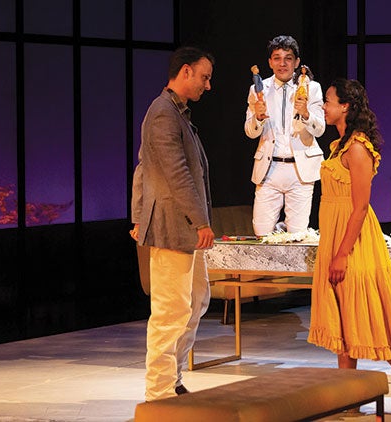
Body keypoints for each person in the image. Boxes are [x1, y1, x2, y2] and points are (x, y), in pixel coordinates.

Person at [307, 78, 391, 414]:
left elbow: (360, 206)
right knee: (343, 316)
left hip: (355, 239)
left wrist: (343, 253)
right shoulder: (338, 146)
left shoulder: (357, 148)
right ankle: (348, 397)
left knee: (368, 309)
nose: (324, 106)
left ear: (345, 106)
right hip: (335, 233)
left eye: (328, 101)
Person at [130, 46, 215, 402]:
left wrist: (136, 215)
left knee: (196, 300)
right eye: (204, 76)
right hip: (173, 225)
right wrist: (200, 221)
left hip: (183, 227)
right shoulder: (163, 113)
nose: (208, 85)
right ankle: (160, 389)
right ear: (184, 72)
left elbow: (141, 168)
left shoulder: (176, 113)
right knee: (171, 309)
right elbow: (175, 173)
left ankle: (173, 377)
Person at [244, 35, 325, 236]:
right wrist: (258, 118)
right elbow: (250, 132)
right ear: (270, 62)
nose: (282, 63)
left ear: (296, 62)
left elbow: (320, 129)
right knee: (261, 231)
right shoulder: (258, 89)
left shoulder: (311, 88)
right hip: (269, 169)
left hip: (300, 170)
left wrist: (306, 113)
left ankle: (286, 232)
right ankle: (279, 233)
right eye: (277, 58)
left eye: (288, 58)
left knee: (297, 234)